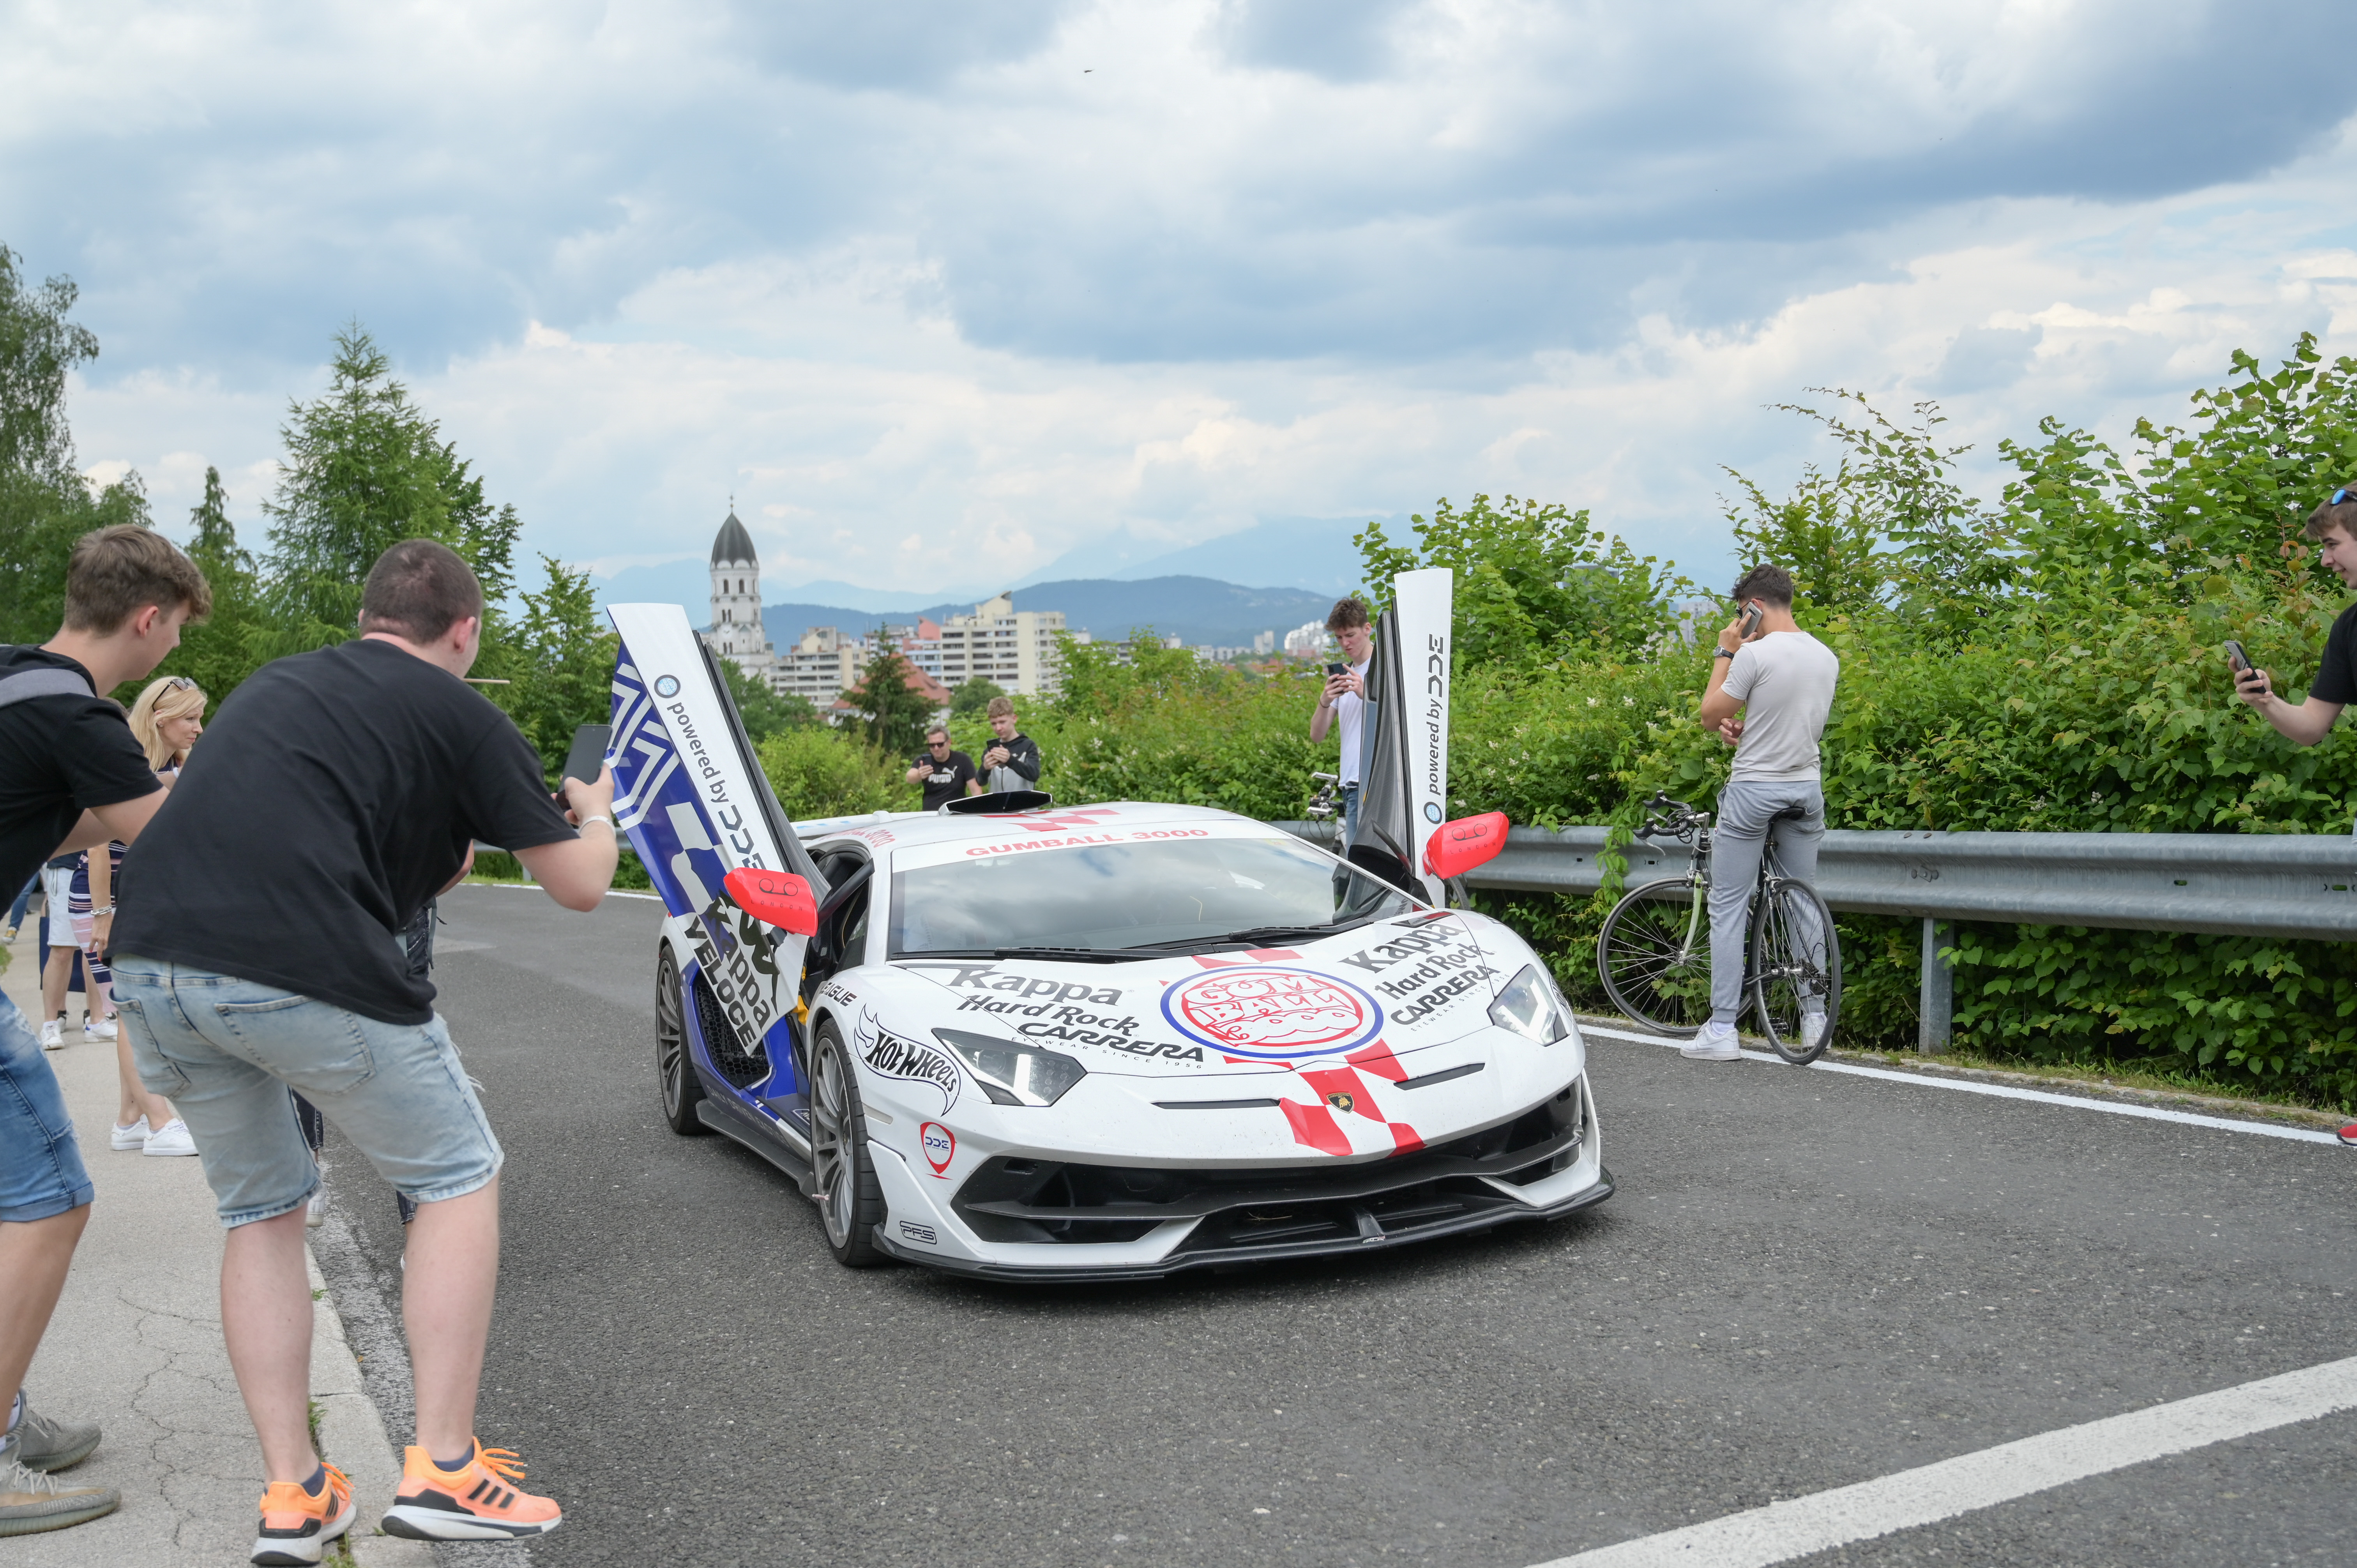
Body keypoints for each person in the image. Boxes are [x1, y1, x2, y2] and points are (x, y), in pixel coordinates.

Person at [111, 538, 618, 1557]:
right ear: (465, 631)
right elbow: (578, 885)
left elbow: (379, 869)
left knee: (262, 1211)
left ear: (368, 619)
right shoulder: (462, 713)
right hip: (292, 968)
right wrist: (596, 817)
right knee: (457, 1175)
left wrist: (445, 855)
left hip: (153, 967)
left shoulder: (279, 688)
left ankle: (295, 1494)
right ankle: (444, 1466)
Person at [0, 524, 206, 1538]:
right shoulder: (82, 718)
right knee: (50, 1201)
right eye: (174, 636)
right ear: (148, 616)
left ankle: (10, 1412)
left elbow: (56, 817)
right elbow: (177, 847)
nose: (171, 653)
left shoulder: (16, 682)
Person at [1686, 564, 1841, 1063]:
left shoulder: (1752, 652)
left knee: (1729, 904)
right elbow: (1786, 717)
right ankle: (1815, 1020)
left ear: (1753, 606)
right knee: (1804, 903)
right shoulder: (1825, 655)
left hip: (1755, 789)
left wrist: (1725, 650)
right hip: (1806, 788)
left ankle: (1722, 1029)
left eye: (1741, 612)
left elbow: (1710, 715)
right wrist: (1743, 728)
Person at [101, 675, 209, 1157]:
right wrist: (103, 913)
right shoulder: (129, 767)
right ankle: (160, 1120)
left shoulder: (175, 766)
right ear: (161, 720)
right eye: (190, 718)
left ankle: (130, 1118)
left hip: (157, 894)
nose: (199, 727)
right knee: (134, 1009)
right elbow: (96, 848)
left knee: (139, 1005)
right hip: (125, 896)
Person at [1307, 597, 1375, 844]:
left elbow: (1401, 717)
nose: (1345, 643)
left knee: (1362, 865)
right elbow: (1317, 735)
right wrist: (1325, 699)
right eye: (1339, 638)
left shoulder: (1386, 667)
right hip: (1350, 782)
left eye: (1350, 635)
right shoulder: (1344, 674)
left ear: (1367, 629)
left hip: (1373, 779)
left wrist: (1365, 693)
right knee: (1357, 863)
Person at [977, 696, 1041, 795]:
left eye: (1002, 722)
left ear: (1014, 719)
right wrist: (985, 769)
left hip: (1024, 808)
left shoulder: (1028, 745)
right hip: (998, 809)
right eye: (994, 724)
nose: (998, 728)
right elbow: (981, 782)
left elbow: (1034, 775)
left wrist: (1010, 761)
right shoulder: (991, 750)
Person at [906, 725, 977, 810]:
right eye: (932, 745)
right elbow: (909, 778)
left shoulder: (962, 760)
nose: (936, 749)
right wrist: (919, 775)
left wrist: (976, 811)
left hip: (956, 814)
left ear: (949, 742)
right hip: (931, 815)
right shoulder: (924, 761)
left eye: (940, 745)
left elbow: (976, 790)